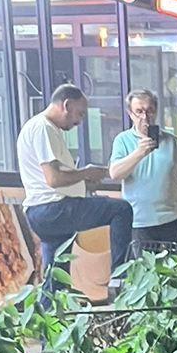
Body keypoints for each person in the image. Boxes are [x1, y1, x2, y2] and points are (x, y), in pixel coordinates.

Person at [16, 82, 133, 293]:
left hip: (41, 212)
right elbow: (53, 179)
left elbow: (52, 178)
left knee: (56, 280)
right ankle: (119, 277)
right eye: (79, 113)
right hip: (54, 208)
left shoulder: (40, 127)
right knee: (121, 210)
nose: (79, 121)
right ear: (67, 105)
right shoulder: (43, 128)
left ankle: (49, 310)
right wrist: (86, 173)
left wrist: (82, 182)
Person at [107, 89, 177, 264]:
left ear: (155, 112)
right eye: (139, 111)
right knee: (147, 274)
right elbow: (115, 173)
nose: (145, 117)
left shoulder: (171, 142)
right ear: (130, 114)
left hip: (174, 219)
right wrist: (139, 152)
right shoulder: (122, 140)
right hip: (140, 223)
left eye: (149, 111)